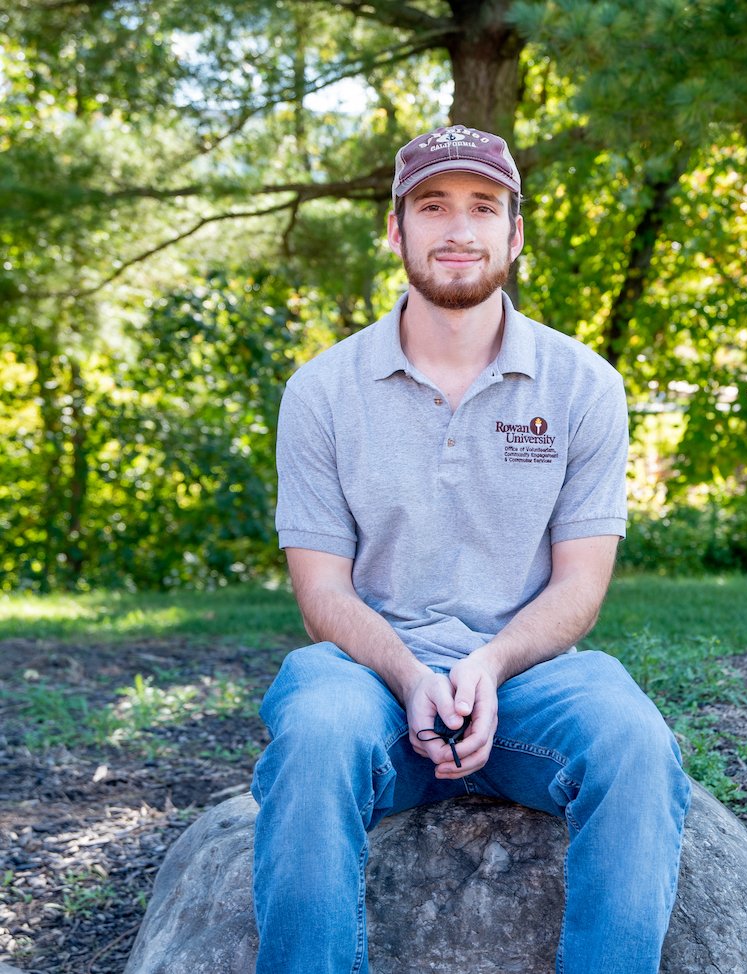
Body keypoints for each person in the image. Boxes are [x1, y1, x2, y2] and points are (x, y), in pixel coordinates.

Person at [251, 123, 691, 974]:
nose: (459, 229)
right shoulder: (322, 392)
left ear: (515, 233)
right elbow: (322, 593)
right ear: (397, 230)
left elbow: (580, 585)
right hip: (368, 677)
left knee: (636, 742)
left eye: (483, 207)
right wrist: (412, 677)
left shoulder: (583, 386)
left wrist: (487, 668)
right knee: (314, 730)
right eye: (433, 206)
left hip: (529, 678)